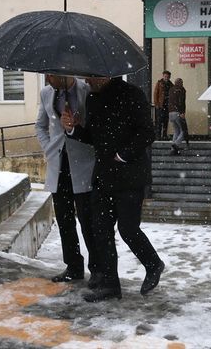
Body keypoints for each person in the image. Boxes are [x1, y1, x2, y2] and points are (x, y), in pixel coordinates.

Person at [62, 76, 165, 303]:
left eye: (92, 76)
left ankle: (153, 264)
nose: (87, 80)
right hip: (103, 176)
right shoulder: (93, 99)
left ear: (107, 74)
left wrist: (123, 154)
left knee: (128, 229)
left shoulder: (133, 94)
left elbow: (148, 132)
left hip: (129, 176)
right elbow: (94, 137)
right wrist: (73, 129)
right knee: (101, 230)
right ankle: (110, 285)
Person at [35, 75, 98, 285]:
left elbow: (96, 126)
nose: (47, 78)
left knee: (87, 220)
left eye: (51, 74)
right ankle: (73, 266)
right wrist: (49, 148)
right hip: (58, 166)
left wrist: (78, 125)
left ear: (64, 73)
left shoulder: (87, 90)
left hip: (83, 165)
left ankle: (96, 269)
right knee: (64, 220)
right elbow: (40, 126)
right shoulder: (46, 93)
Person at [168, 78, 186, 155]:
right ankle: (176, 144)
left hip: (170, 113)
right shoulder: (181, 90)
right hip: (177, 112)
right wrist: (182, 112)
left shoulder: (171, 89)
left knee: (176, 131)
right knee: (183, 131)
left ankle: (173, 149)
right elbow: (181, 102)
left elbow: (171, 101)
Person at [152, 70, 173, 140]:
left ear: (169, 77)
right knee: (159, 121)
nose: (166, 77)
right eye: (165, 76)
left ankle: (164, 135)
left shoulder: (171, 84)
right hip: (160, 106)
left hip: (167, 106)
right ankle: (158, 136)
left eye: (167, 76)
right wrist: (156, 104)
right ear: (163, 76)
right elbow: (155, 94)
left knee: (165, 121)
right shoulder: (159, 83)